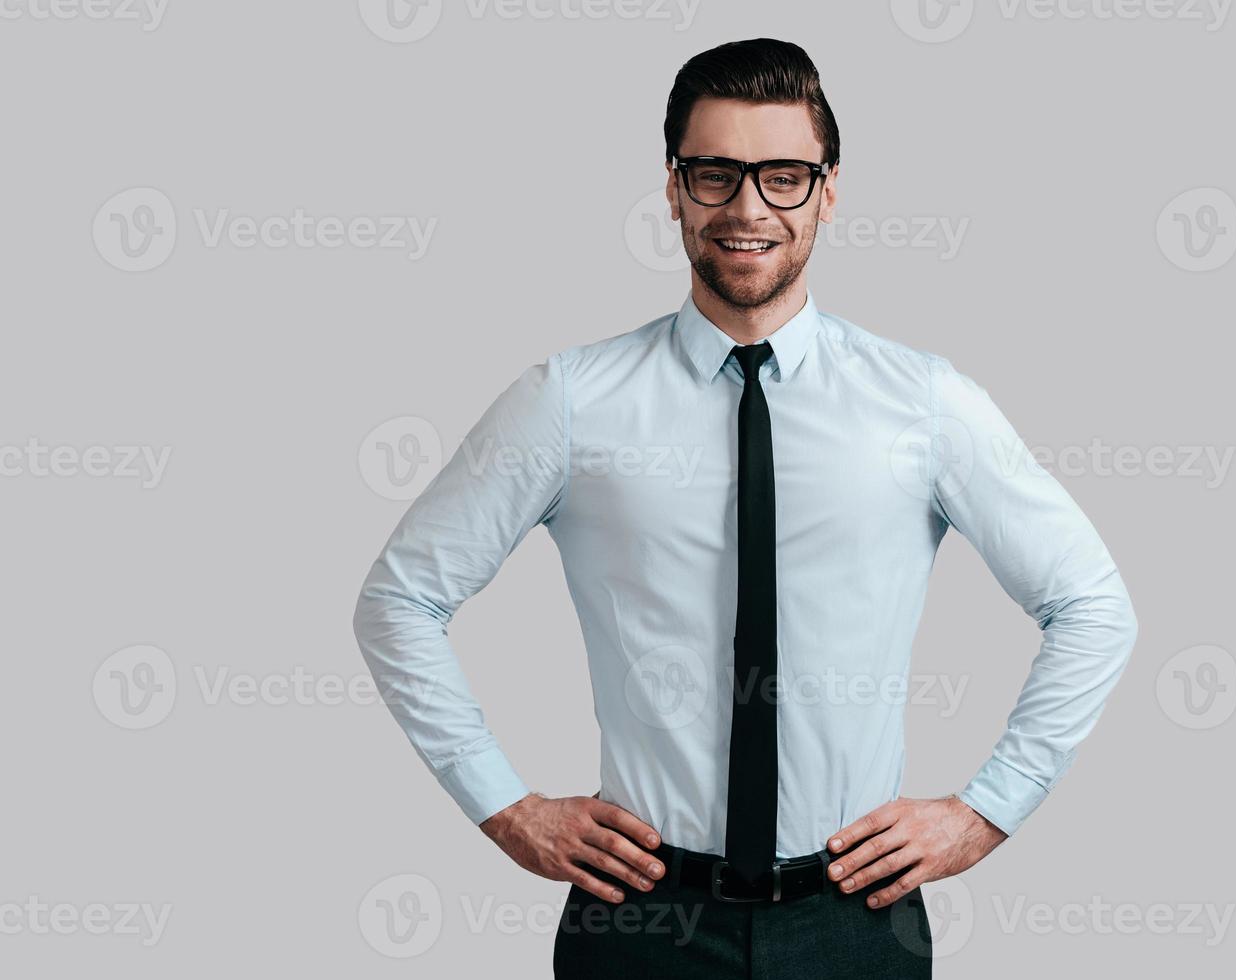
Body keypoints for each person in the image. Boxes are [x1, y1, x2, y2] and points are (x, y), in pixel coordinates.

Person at [352, 36, 1138, 979]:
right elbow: (399, 600)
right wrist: (505, 807)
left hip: (853, 922)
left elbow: (1091, 603)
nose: (748, 208)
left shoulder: (924, 403)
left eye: (783, 176)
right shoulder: (569, 400)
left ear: (829, 188)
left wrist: (988, 810)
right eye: (716, 174)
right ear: (674, 187)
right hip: (642, 923)